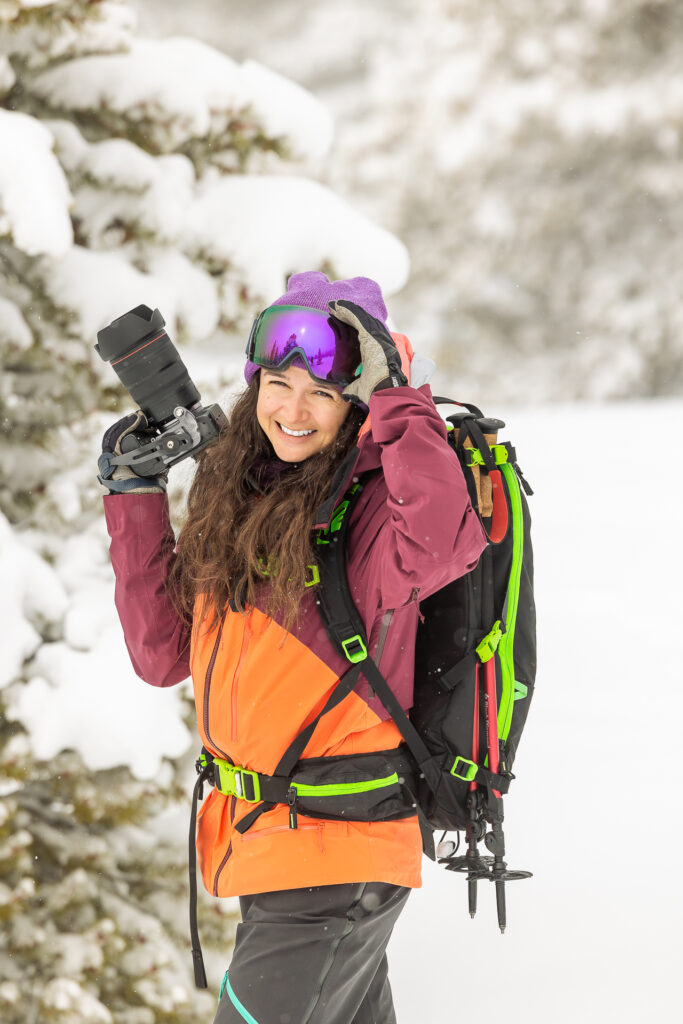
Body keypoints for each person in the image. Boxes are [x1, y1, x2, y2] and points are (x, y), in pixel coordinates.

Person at [101, 271, 487, 1024]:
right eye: (276, 384)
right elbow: (162, 654)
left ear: (358, 404)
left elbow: (444, 541)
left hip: (336, 857)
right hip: (272, 852)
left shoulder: (374, 506)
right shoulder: (238, 497)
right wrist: (133, 496)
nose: (295, 409)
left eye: (325, 393)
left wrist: (397, 400)